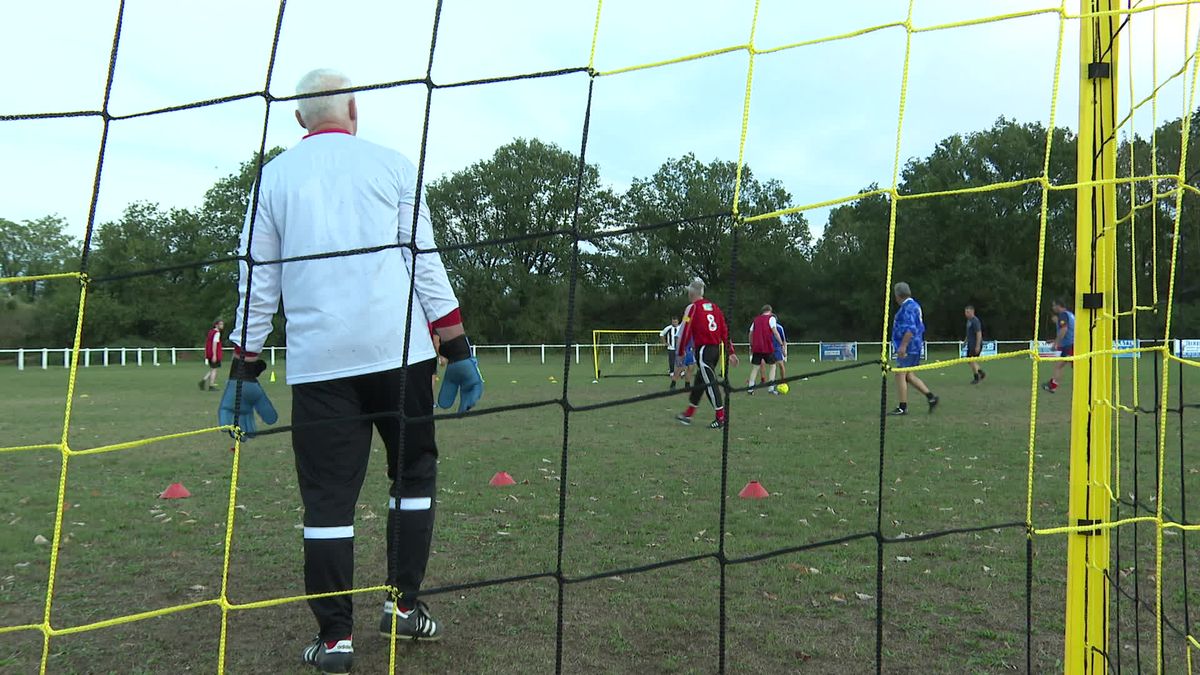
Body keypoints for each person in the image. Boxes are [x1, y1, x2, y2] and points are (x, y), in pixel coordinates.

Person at [220, 69, 483, 674]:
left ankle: (335, 638)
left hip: (319, 370)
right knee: (413, 476)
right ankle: (403, 606)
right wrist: (459, 347)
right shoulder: (391, 164)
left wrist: (245, 368)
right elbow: (426, 262)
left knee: (327, 502)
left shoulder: (273, 178)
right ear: (355, 109)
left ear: (298, 119)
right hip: (401, 360)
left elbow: (257, 285)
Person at [675, 278, 738, 428]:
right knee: (700, 382)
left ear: (691, 293)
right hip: (715, 350)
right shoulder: (715, 308)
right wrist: (731, 352)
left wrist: (681, 350)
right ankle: (688, 414)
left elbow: (685, 330)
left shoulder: (692, 308)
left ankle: (720, 417)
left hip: (704, 350)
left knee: (710, 383)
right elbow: (724, 330)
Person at [889, 282, 938, 416]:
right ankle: (931, 398)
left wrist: (903, 346)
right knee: (909, 376)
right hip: (914, 345)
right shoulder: (914, 305)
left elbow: (910, 329)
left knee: (900, 374)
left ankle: (902, 407)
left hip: (910, 346)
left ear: (897, 295)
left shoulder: (908, 308)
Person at [747, 304, 784, 395]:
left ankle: (750, 389)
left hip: (757, 347)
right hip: (767, 346)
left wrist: (751, 344)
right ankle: (771, 388)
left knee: (755, 367)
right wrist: (781, 343)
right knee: (772, 366)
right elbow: (775, 332)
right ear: (770, 311)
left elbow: (750, 333)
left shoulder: (756, 320)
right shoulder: (771, 318)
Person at [1042, 299, 1075, 394]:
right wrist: (1054, 340)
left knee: (1058, 366)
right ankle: (1052, 385)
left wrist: (1056, 343)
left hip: (1069, 346)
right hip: (1072, 344)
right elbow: (1070, 331)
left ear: (1058, 305)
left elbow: (1064, 330)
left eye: (1054, 305)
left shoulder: (1063, 315)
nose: (1053, 308)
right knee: (1063, 366)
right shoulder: (1070, 315)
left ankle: (1052, 386)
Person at [200, 320, 224, 391]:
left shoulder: (211, 332)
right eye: (221, 324)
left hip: (209, 353)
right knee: (214, 369)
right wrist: (214, 355)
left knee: (213, 369)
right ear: (216, 325)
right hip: (213, 354)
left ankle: (203, 380)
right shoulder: (217, 333)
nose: (222, 326)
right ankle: (211, 385)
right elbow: (214, 344)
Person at [964, 305, 986, 384]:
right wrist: (965, 341)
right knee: (969, 361)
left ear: (972, 312)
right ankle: (981, 372)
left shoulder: (975, 321)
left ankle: (976, 377)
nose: (966, 313)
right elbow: (969, 333)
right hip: (970, 344)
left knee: (971, 360)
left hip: (975, 344)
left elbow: (978, 333)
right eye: (965, 312)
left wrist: (977, 345)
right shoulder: (969, 321)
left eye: (968, 312)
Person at [660, 317, 682, 389]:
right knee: (671, 360)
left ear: (678, 321)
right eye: (673, 322)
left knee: (680, 360)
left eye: (675, 322)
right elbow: (661, 334)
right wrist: (664, 343)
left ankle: (681, 372)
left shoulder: (681, 327)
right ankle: (672, 372)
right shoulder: (668, 328)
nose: (674, 323)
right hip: (671, 347)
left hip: (679, 347)